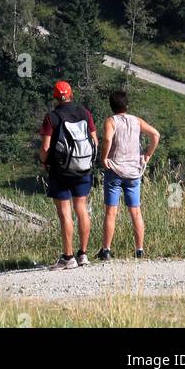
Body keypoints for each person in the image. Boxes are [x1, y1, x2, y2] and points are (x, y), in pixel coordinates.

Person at [40, 80, 98, 270]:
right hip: (83, 169)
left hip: (60, 172)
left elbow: (46, 148)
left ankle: (68, 257)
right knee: (81, 209)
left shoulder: (52, 117)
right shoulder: (85, 113)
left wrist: (43, 162)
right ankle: (83, 254)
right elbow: (95, 142)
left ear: (55, 97)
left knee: (65, 213)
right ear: (71, 94)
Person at [98, 89, 160, 261]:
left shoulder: (111, 121)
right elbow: (155, 135)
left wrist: (104, 158)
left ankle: (106, 250)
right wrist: (147, 155)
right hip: (134, 173)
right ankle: (139, 249)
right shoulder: (137, 121)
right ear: (127, 105)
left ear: (111, 106)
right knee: (136, 212)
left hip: (115, 171)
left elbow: (108, 140)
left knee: (111, 212)